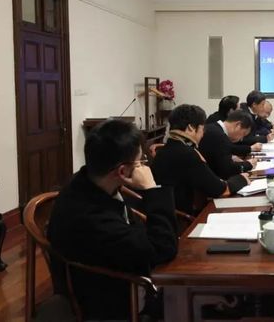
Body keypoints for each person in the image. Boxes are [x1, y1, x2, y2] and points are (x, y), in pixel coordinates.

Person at [47, 119, 178, 320]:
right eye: (140, 162)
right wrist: (151, 189)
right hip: (115, 300)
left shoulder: (89, 182)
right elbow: (163, 248)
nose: (143, 167)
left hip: (122, 273)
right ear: (122, 171)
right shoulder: (89, 217)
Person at [152, 104, 249, 215]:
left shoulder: (165, 150)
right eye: (202, 128)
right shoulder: (187, 154)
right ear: (191, 128)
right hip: (184, 218)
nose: (203, 133)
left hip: (169, 213)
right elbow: (221, 190)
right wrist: (242, 178)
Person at [199, 110, 258, 179]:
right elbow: (226, 170)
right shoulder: (220, 137)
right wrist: (248, 164)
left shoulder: (213, 127)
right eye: (243, 134)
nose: (241, 139)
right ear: (238, 125)